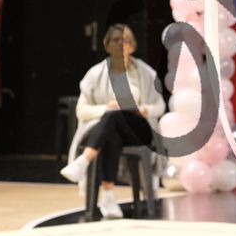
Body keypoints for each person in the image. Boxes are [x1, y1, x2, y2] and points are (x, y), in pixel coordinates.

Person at [60, 23, 166, 218]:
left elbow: (160, 106)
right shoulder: (95, 74)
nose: (120, 44)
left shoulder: (145, 72)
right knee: (112, 127)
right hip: (109, 130)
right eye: (116, 40)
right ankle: (108, 197)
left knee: (115, 116)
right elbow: (81, 110)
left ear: (132, 45)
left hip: (138, 129)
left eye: (125, 40)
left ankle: (84, 160)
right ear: (107, 44)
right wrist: (105, 108)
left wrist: (144, 109)